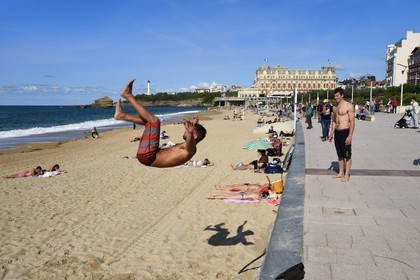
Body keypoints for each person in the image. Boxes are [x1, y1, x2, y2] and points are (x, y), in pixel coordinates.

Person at [114, 79, 207, 168]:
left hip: (148, 156)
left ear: (194, 136)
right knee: (148, 123)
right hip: (149, 155)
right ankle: (121, 116)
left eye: (188, 131)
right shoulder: (187, 144)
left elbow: (190, 144)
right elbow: (192, 138)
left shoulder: (191, 150)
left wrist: (190, 132)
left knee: (154, 121)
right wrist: (195, 124)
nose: (186, 130)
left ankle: (128, 95)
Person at [329, 87, 355, 182]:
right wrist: (331, 134)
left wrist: (350, 136)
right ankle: (340, 173)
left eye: (337, 96)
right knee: (340, 155)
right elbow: (334, 122)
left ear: (342, 95)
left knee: (347, 155)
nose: (336, 97)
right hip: (337, 133)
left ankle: (346, 174)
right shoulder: (336, 108)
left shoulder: (348, 106)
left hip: (345, 131)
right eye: (335, 96)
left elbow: (352, 122)